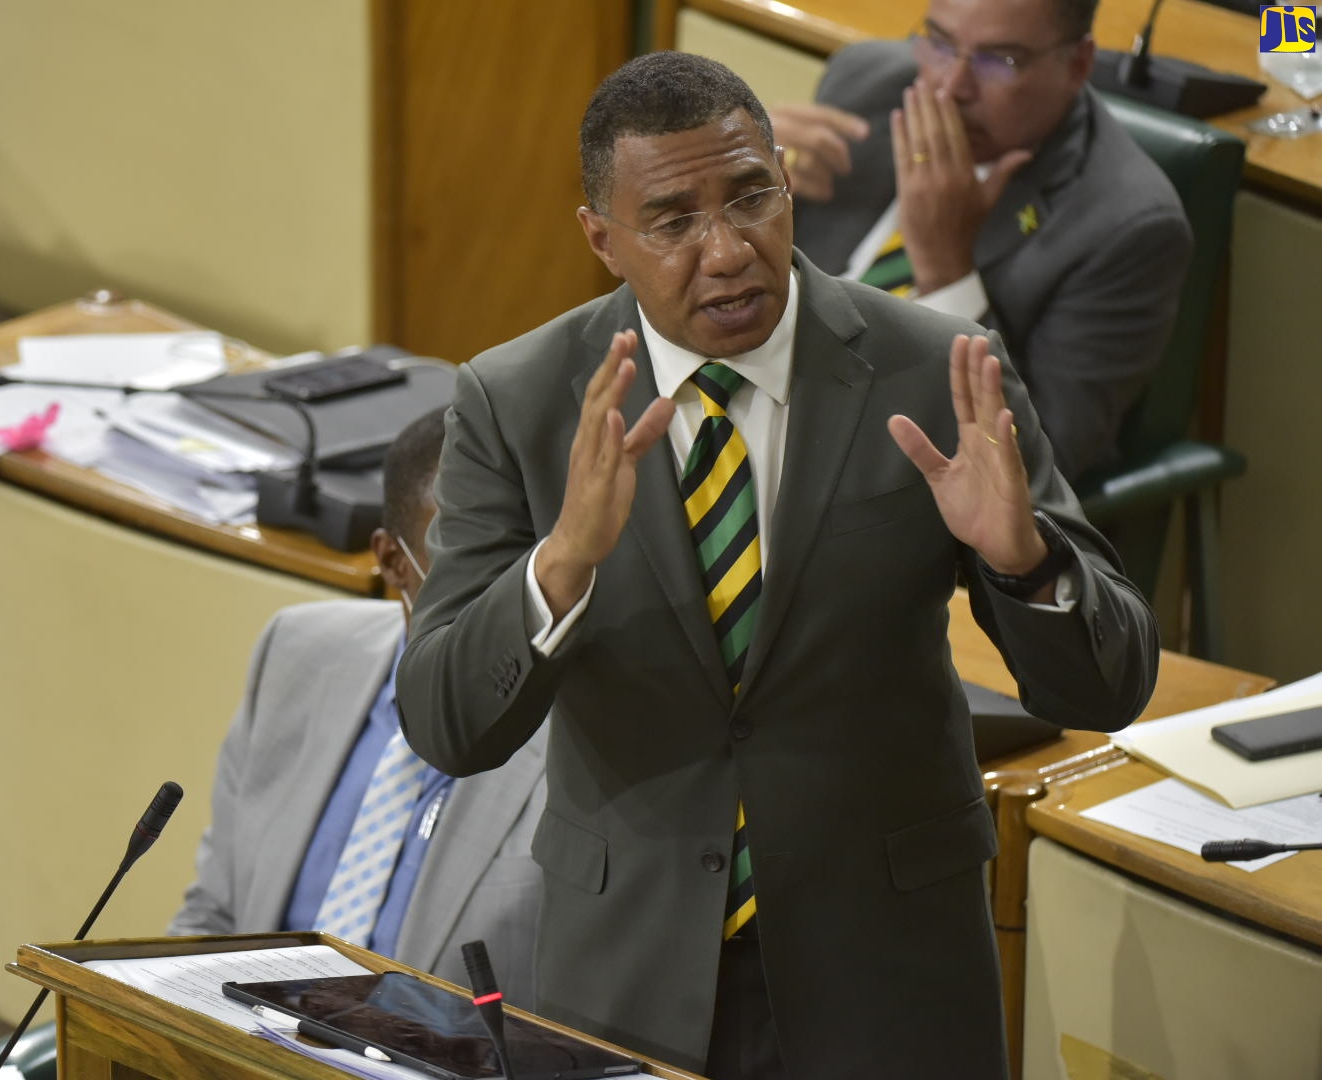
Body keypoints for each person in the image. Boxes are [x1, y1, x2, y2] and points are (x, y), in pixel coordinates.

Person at [395, 51, 1158, 1079]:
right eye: (671, 221)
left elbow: (1106, 687)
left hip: (890, 979)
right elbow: (447, 722)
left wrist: (1020, 559)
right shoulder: (517, 400)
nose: (726, 251)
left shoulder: (937, 369)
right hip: (627, 979)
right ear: (602, 239)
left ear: (786, 186)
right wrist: (564, 561)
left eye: (752, 197)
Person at [169, 407, 547, 1007]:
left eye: (513, 553)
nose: (496, 589)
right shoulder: (298, 652)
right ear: (394, 562)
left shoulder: (581, 732)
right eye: (461, 553)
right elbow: (214, 913)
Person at [772, 0, 1191, 483]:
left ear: (1077, 65)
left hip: (889, 492)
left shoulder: (1128, 227)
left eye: (999, 61)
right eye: (941, 43)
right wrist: (740, 189)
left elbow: (1040, 473)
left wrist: (945, 268)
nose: (950, 86)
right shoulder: (866, 80)